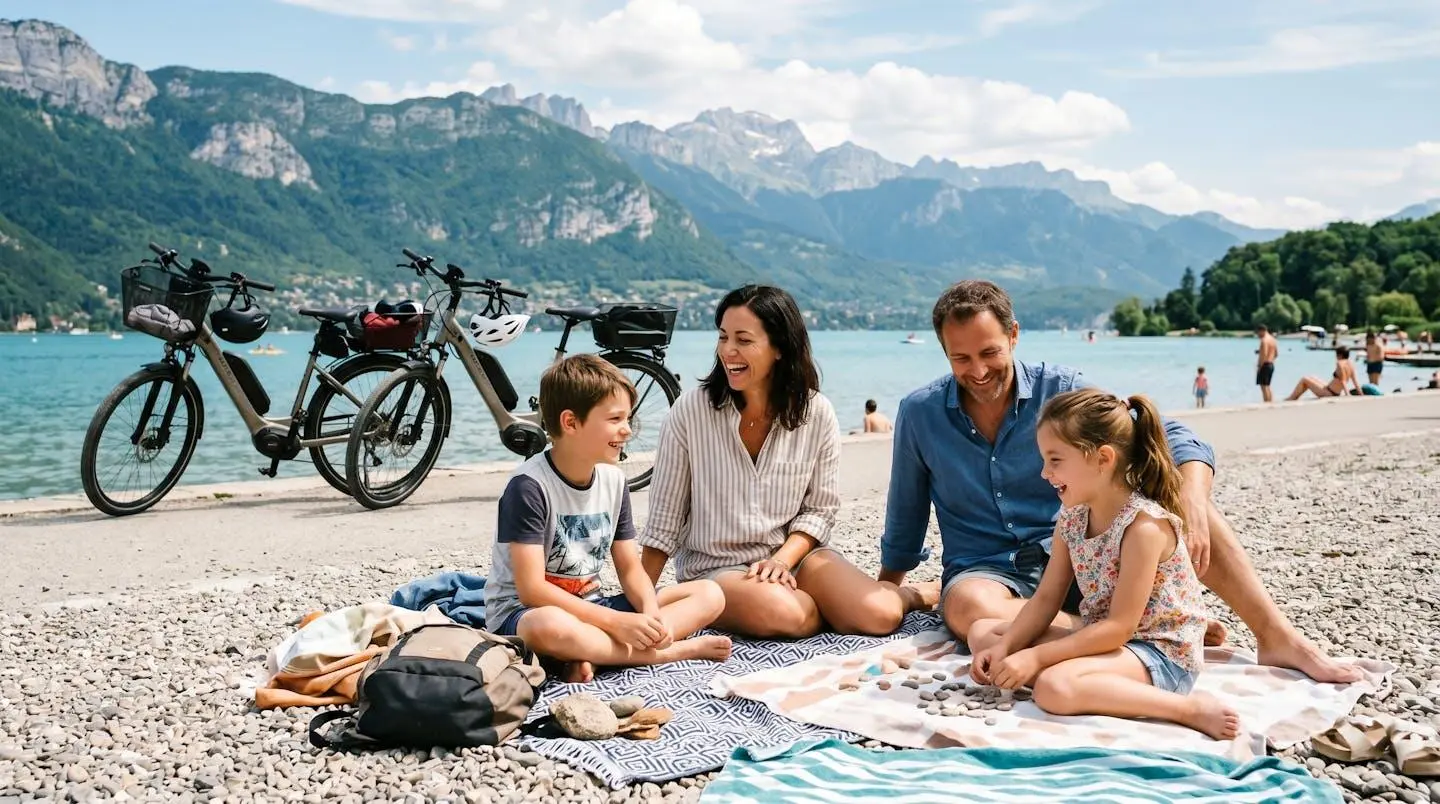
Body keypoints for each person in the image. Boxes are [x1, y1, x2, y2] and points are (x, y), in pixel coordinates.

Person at [877, 279, 1361, 684]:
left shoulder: (1061, 389)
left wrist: (1192, 495)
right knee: (970, 613)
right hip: (987, 573)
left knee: (1183, 506)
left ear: (1015, 336)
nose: (978, 371)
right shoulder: (919, 413)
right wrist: (888, 590)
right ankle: (1148, 635)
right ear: (943, 352)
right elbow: (906, 515)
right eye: (961, 359)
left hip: (1081, 560)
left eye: (990, 353)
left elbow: (1165, 432)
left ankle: (1277, 637)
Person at [640, 285, 939, 639]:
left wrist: (782, 560)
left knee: (881, 615)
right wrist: (638, 604)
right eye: (722, 337)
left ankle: (907, 594)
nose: (728, 351)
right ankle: (819, 607)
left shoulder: (818, 413)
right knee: (794, 616)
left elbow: (820, 509)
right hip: (716, 570)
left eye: (743, 340)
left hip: (795, 559)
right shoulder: (690, 412)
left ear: (779, 347)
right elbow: (664, 522)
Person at [969, 389, 1240, 740]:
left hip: (1158, 651)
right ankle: (1088, 678)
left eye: (1055, 460)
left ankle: (1186, 708)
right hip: (1105, 638)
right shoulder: (1073, 517)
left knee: (1053, 687)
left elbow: (1119, 629)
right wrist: (1006, 650)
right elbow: (1046, 599)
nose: (1044, 473)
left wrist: (1036, 659)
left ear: (1102, 458)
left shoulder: (1144, 527)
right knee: (982, 634)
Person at [485, 355, 732, 683]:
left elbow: (630, 569)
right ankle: (667, 653)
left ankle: (593, 656)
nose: (627, 430)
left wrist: (650, 614)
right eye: (615, 419)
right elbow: (532, 590)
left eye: (627, 418)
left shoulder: (614, 482)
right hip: (524, 616)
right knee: (551, 626)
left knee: (709, 594)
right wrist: (617, 624)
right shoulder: (530, 487)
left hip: (592, 607)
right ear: (571, 423)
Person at [1285, 346, 1363, 401]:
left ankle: (1291, 398)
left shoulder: (1340, 363)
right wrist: (1361, 394)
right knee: (1312, 377)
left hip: (1329, 393)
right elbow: (1355, 381)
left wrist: (1347, 394)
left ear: (1340, 355)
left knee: (1304, 379)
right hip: (1331, 390)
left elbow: (1343, 380)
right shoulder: (1350, 364)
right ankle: (1294, 398)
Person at [1255, 325, 1278, 403]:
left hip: (1265, 365)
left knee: (1263, 386)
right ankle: (1270, 402)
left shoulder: (1264, 340)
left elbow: (1264, 355)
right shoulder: (1273, 340)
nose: (1258, 335)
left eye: (1258, 333)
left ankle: (1266, 403)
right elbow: (1276, 354)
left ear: (1262, 331)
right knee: (1267, 385)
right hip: (1271, 364)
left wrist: (1259, 366)